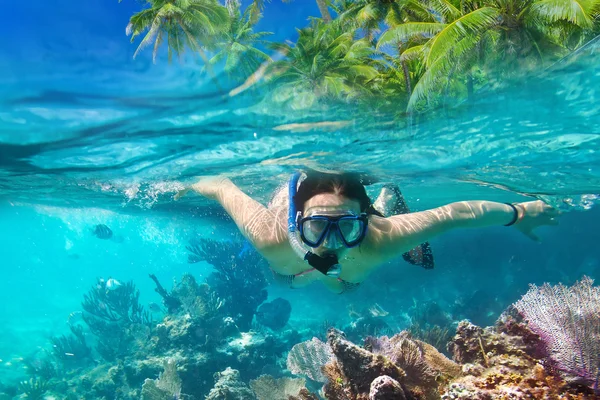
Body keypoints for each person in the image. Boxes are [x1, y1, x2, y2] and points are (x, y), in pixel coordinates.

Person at [175, 171, 559, 294]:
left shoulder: (380, 238)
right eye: (317, 226)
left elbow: (454, 213)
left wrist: (519, 212)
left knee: (343, 283)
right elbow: (223, 184)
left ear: (366, 221)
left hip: (352, 247)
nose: (330, 242)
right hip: (290, 257)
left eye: (347, 227)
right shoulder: (271, 237)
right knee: (296, 279)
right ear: (298, 224)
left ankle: (385, 199)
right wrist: (190, 183)